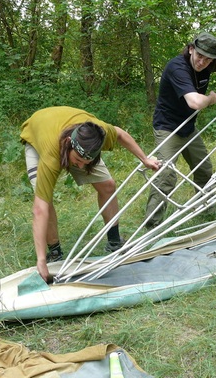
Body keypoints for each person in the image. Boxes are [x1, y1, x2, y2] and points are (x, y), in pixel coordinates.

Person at [20, 106, 160, 282]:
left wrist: (145, 159)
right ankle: (54, 253)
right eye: (77, 161)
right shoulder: (51, 155)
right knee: (45, 201)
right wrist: (40, 259)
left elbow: (120, 134)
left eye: (85, 162)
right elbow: (39, 209)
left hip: (72, 138)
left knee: (108, 186)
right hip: (37, 137)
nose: (79, 167)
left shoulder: (98, 132)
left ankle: (114, 242)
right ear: (69, 144)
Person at [144, 32, 216, 228]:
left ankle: (206, 209)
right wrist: (211, 99)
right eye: (199, 56)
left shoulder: (212, 62)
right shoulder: (178, 67)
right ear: (191, 49)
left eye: (208, 59)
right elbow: (195, 102)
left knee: (204, 169)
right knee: (166, 175)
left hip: (188, 127)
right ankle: (152, 224)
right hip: (167, 127)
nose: (202, 62)